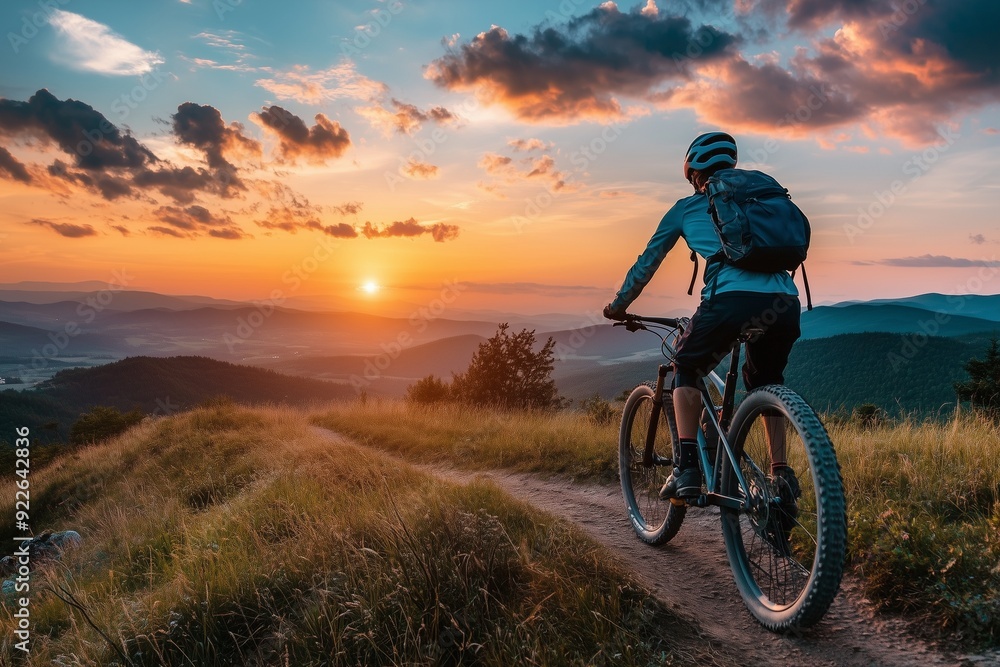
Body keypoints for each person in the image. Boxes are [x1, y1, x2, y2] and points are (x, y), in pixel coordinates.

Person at [603, 131, 802, 503]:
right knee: (767, 379)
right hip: (785, 301)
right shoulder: (760, 195)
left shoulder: (686, 208)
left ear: (692, 172)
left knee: (686, 365)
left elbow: (647, 262)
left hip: (729, 300)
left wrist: (618, 305)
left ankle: (687, 469)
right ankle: (781, 476)